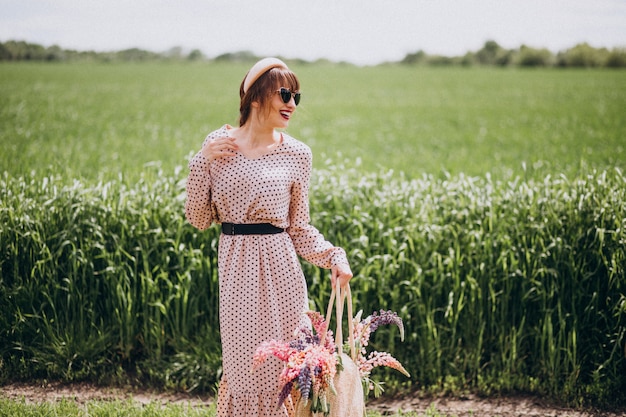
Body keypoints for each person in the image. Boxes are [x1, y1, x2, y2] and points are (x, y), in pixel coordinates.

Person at [185, 57, 353, 417]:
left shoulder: (298, 154)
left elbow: (299, 228)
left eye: (296, 96)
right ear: (256, 98)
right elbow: (199, 220)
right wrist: (200, 161)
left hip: (284, 277)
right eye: (285, 94)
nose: (292, 103)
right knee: (245, 374)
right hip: (237, 278)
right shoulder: (217, 145)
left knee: (288, 376)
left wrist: (334, 256)